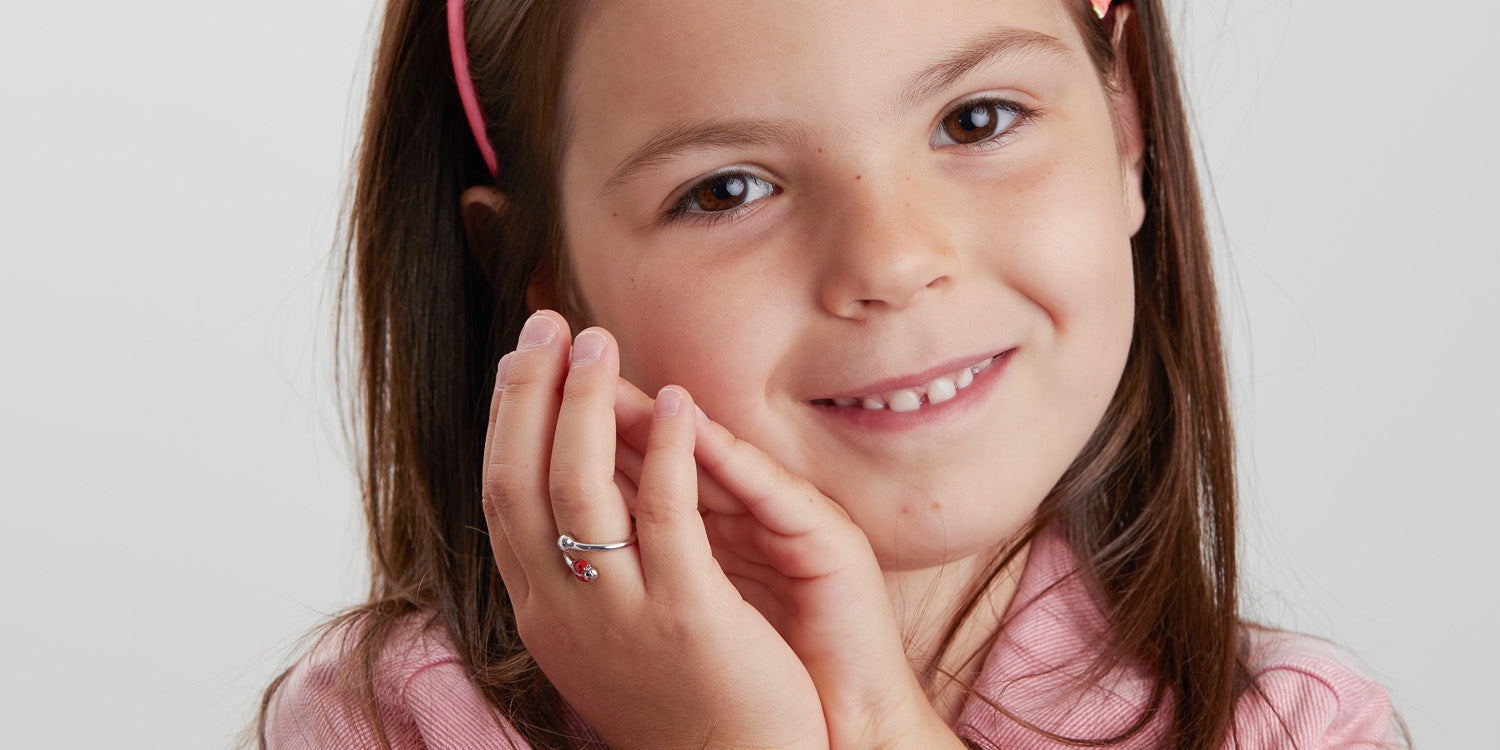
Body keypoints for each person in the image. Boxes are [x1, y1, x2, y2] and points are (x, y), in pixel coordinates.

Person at [258, 0, 1403, 747]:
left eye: (978, 118)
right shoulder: (395, 725)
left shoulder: (1299, 731)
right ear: (539, 278)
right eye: (727, 190)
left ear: (1125, 127)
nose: (893, 261)